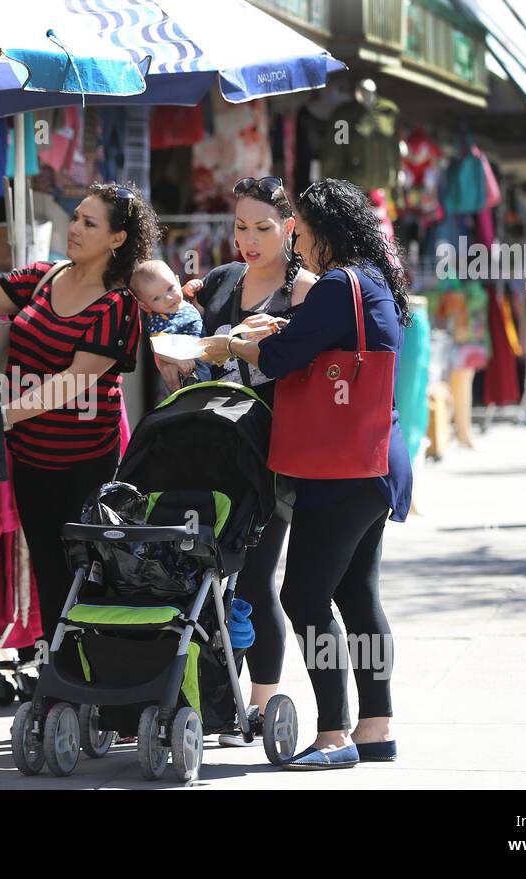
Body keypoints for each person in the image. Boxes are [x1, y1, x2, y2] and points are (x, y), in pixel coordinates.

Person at [201, 179, 412, 770]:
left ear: (321, 234)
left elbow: (278, 360)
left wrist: (232, 345)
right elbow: (311, 345)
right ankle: (376, 727)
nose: (299, 242)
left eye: (302, 232)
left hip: (339, 466)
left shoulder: (337, 283)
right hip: (377, 458)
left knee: (302, 595)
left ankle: (333, 735)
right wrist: (280, 336)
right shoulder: (371, 280)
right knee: (357, 594)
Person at [0, 182, 155, 635]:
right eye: (76, 217)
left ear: (117, 239)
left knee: (88, 578)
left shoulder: (119, 305)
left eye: (88, 223)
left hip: (84, 465)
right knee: (49, 576)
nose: (74, 228)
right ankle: (60, 683)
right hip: (31, 460)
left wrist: (0, 417)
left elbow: (73, 380)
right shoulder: (44, 276)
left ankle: (96, 683)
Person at [161, 175, 316, 747]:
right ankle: (212, 694)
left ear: (289, 228)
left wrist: (254, 343)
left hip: (273, 453)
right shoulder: (223, 281)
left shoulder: (305, 291)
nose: (248, 240)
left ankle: (259, 703)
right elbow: (193, 343)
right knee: (205, 572)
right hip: (212, 445)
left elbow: (306, 369)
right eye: (240, 227)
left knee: (254, 577)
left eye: (263, 228)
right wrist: (177, 355)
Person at [129, 259, 210, 388]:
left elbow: (184, 299)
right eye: (156, 298)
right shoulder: (160, 319)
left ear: (178, 281)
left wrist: (189, 288)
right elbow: (157, 347)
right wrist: (177, 360)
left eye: (170, 288)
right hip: (187, 367)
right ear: (145, 306)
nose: (168, 298)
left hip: (205, 356)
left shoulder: (180, 303)